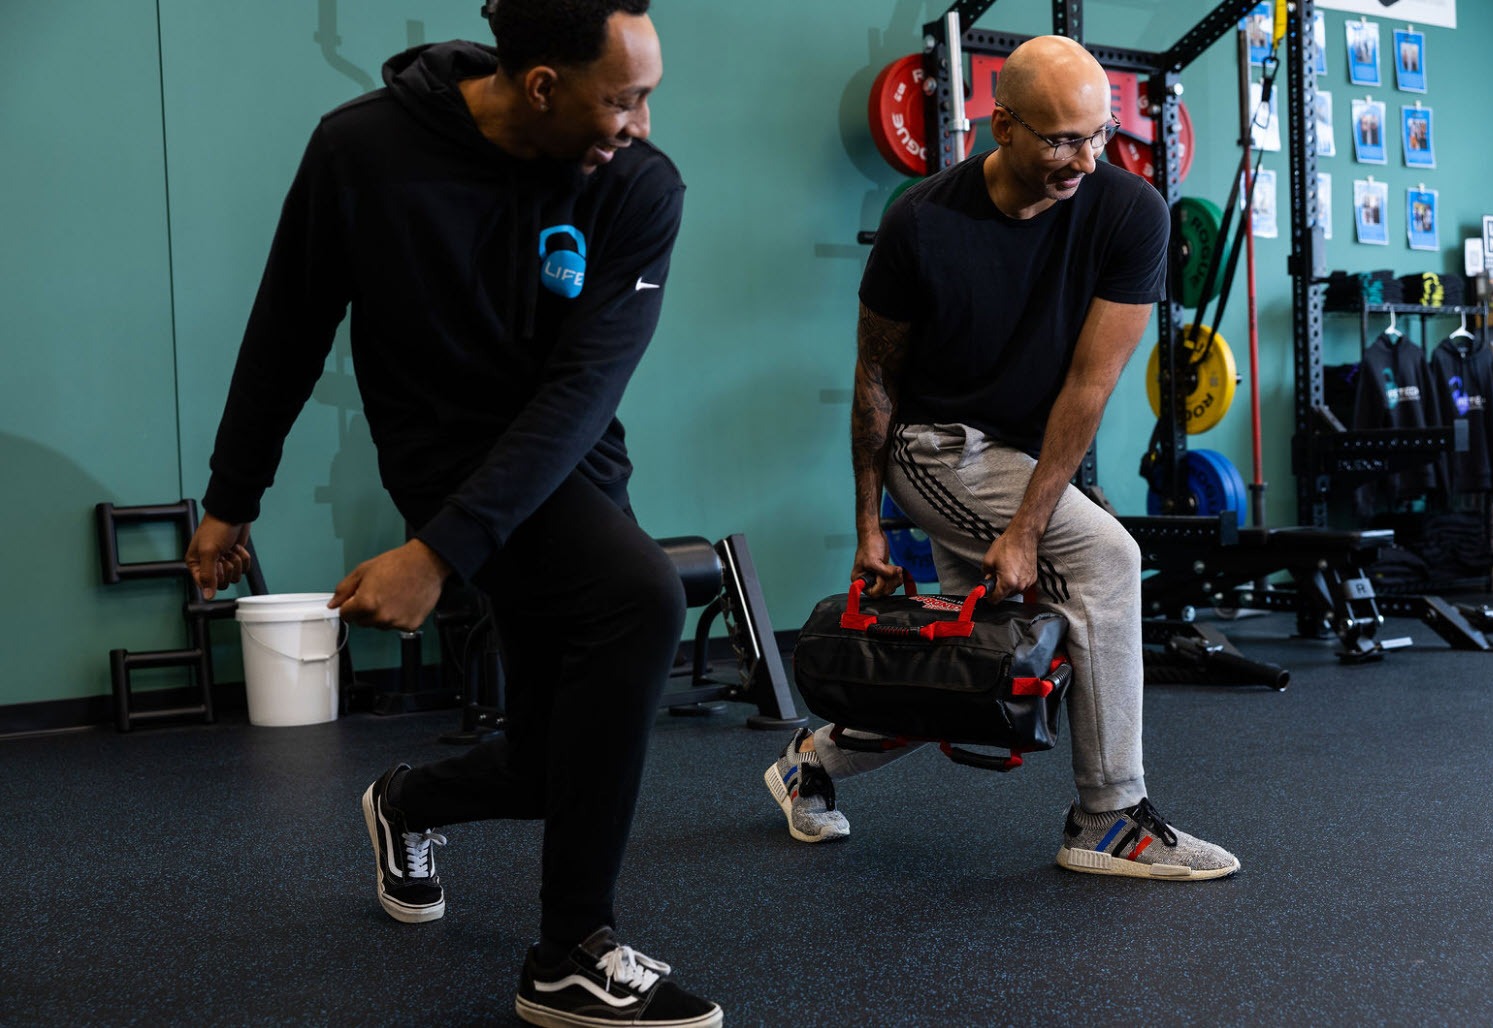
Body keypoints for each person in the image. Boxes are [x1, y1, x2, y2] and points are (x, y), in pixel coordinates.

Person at [183, 2, 721, 1025]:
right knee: (639, 595)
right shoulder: (364, 149)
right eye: (625, 98)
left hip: (570, 454)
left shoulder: (640, 187)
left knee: (549, 757)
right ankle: (572, 949)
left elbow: (582, 390)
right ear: (542, 86)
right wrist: (231, 498)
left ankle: (408, 799)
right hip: (438, 456)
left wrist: (436, 557)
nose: (643, 124)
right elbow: (288, 323)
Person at [764, 35, 1239, 882]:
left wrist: (1025, 525)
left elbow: (1089, 387)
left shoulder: (1131, 213)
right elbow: (876, 379)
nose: (1084, 161)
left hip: (1024, 455)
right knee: (1107, 558)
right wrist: (868, 528)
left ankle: (813, 763)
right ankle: (1108, 817)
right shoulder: (923, 221)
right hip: (933, 446)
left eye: (1098, 137)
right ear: (1001, 125)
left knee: (967, 659)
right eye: (1061, 139)